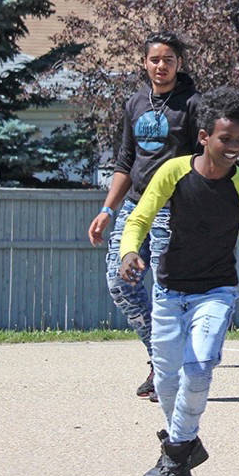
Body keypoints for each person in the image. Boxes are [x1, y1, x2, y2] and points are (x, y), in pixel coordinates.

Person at [119, 86, 239, 476]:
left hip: (216, 292)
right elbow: (139, 218)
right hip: (168, 290)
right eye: (226, 139)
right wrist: (130, 252)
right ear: (204, 136)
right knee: (167, 381)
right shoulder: (173, 172)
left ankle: (178, 458)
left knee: (200, 367)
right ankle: (182, 445)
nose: (235, 147)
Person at [87, 31, 201, 401]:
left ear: (179, 64)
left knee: (166, 290)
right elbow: (125, 161)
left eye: (168, 59)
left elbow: (207, 160)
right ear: (145, 63)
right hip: (136, 208)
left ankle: (170, 370)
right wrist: (108, 209)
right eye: (154, 59)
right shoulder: (135, 102)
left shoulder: (192, 104)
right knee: (120, 283)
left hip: (174, 208)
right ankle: (161, 357)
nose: (161, 66)